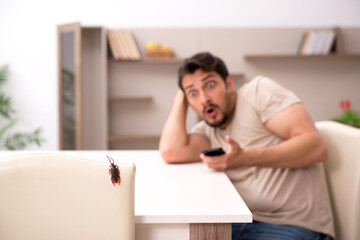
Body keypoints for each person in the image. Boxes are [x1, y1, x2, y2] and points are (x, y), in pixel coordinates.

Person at [159, 52, 335, 240]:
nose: (204, 99)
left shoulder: (258, 93)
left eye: (210, 85)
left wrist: (245, 158)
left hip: (294, 224)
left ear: (229, 84)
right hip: (242, 220)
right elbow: (171, 150)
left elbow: (316, 147)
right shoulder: (208, 131)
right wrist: (181, 97)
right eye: (193, 94)